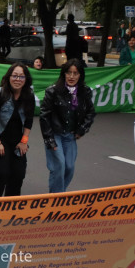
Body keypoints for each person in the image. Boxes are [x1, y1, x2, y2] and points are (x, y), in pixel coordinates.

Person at [39, 58, 96, 193]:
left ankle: (60, 193)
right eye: (68, 73)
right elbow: (44, 115)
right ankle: (56, 199)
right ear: (63, 74)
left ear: (80, 75)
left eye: (75, 73)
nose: (71, 76)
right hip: (55, 134)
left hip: (70, 135)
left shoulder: (85, 91)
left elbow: (90, 112)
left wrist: (82, 129)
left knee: (69, 167)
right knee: (59, 165)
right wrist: (49, 138)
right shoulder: (52, 91)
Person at [0, 63, 35, 197]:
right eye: (14, 76)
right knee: (2, 173)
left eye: (21, 77)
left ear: (26, 79)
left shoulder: (29, 96)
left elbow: (29, 120)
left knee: (18, 174)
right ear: (9, 77)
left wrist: (24, 141)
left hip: (18, 140)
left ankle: (11, 204)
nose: (17, 79)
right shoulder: (0, 94)